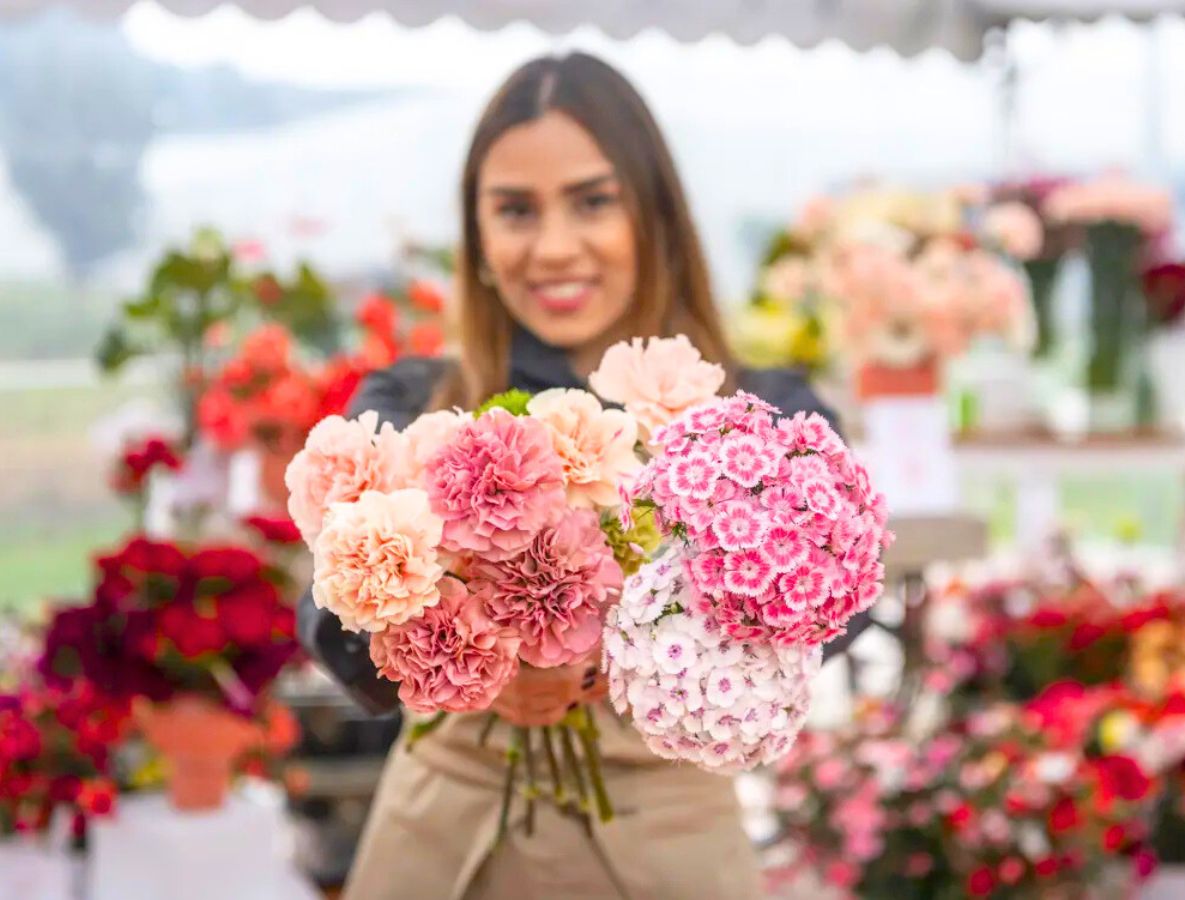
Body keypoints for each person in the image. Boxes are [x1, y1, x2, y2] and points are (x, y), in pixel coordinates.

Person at [297, 51, 866, 900]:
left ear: (655, 217)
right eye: (516, 211)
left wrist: (615, 653)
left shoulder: (757, 415)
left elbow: (836, 609)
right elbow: (325, 614)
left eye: (594, 201)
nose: (555, 246)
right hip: (441, 851)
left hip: (674, 857)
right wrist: (474, 652)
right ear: (480, 238)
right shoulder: (415, 405)